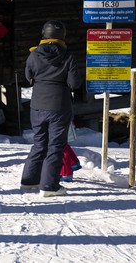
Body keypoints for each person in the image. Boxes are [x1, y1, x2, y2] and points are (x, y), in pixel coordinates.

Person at [20, 20, 84, 197]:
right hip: (59, 106)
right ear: (62, 36)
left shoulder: (34, 55)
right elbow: (74, 83)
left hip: (37, 105)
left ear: (44, 34)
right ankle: (49, 186)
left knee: (39, 143)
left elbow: (28, 77)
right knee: (55, 145)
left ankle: (29, 181)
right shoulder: (68, 56)